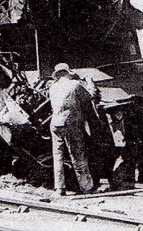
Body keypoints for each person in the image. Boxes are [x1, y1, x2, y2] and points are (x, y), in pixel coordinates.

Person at [49, 63, 96, 195]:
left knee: (58, 156)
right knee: (77, 154)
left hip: (55, 123)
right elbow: (90, 96)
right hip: (70, 123)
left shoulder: (53, 87)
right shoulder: (74, 84)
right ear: (67, 73)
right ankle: (87, 188)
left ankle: (59, 188)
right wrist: (90, 83)